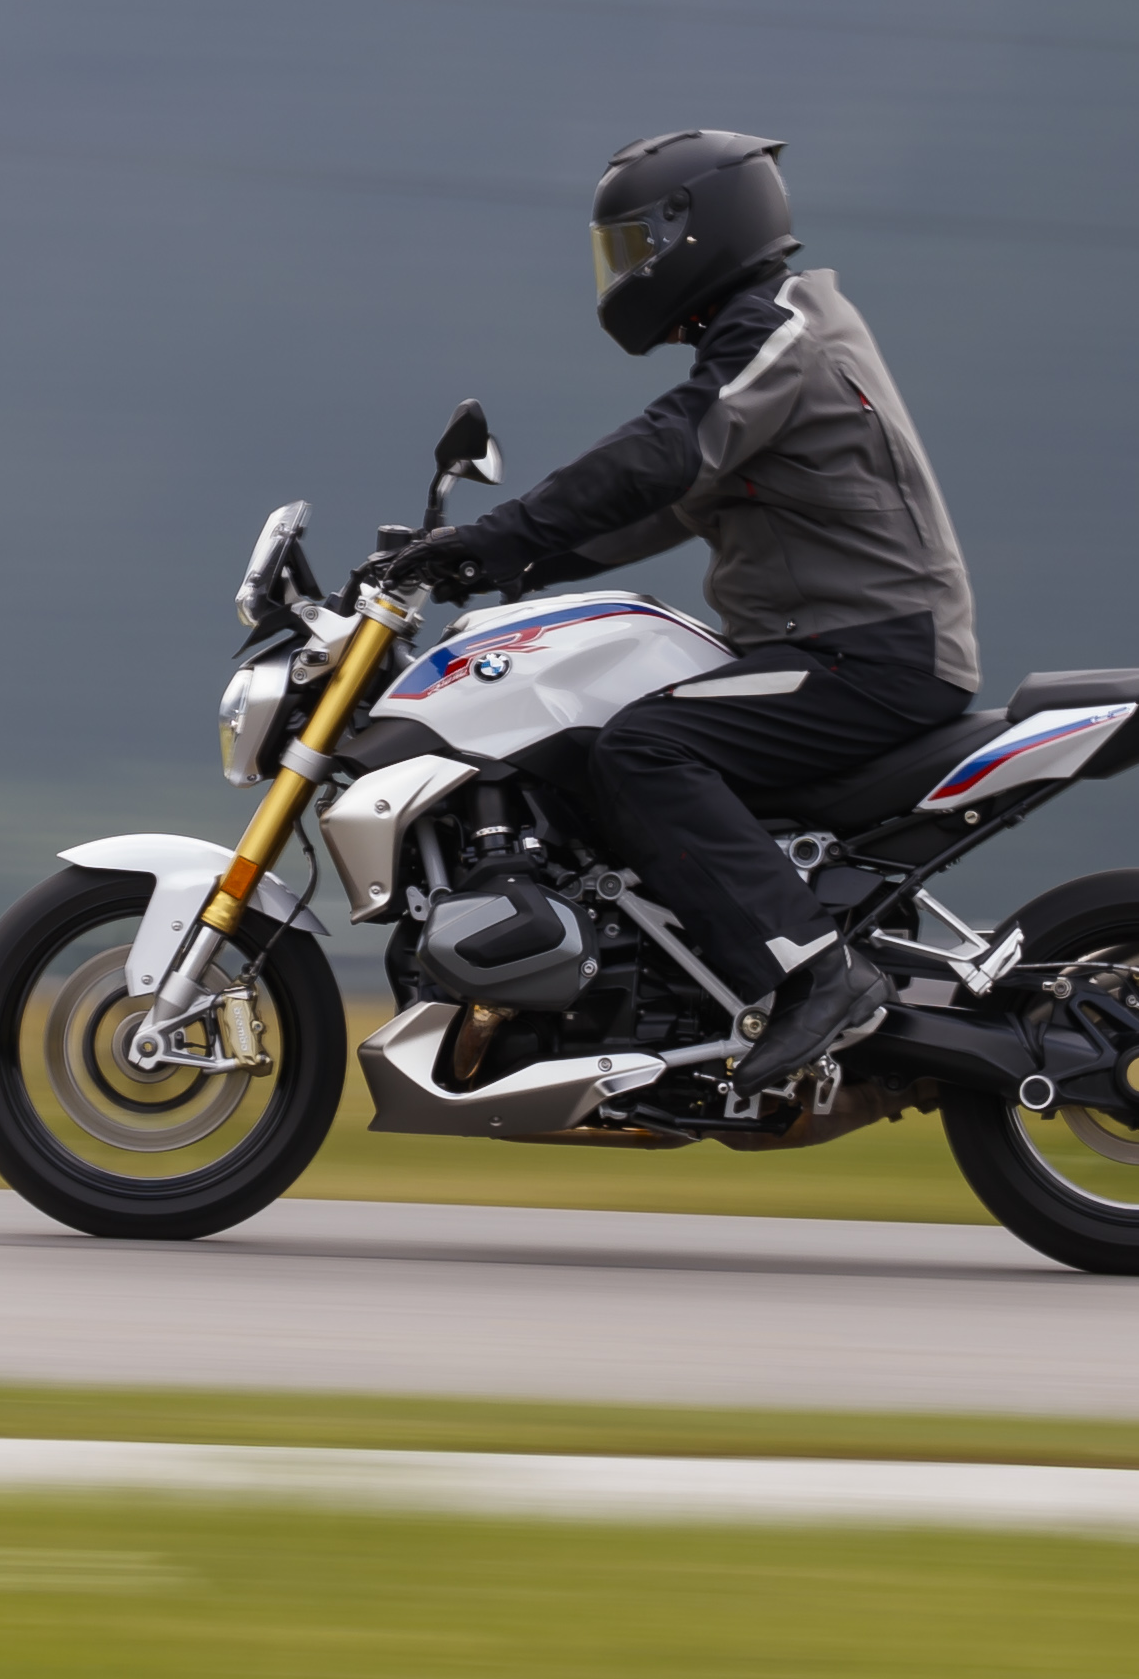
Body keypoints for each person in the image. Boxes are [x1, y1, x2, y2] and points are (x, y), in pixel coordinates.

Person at [369, 129, 976, 1092]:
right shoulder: (763, 347)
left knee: (645, 750)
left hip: (870, 654)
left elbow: (662, 452)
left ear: (703, 226)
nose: (627, 268)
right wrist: (489, 564)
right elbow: (655, 508)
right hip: (833, 647)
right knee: (599, 744)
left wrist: (500, 533)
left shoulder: (781, 332)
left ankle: (817, 977)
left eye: (639, 243)